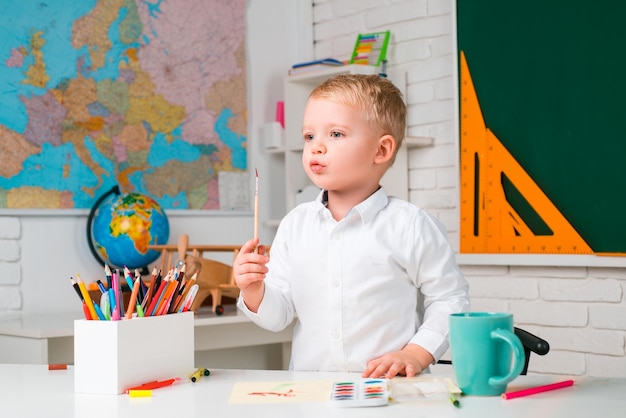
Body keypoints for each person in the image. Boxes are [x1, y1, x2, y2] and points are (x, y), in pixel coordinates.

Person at [234, 74, 469, 378]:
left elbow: (451, 299)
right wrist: (255, 290)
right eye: (309, 136)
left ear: (381, 150)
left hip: (391, 393)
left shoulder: (410, 225)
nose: (316, 147)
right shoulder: (295, 225)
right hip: (312, 396)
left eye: (335, 134)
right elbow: (278, 317)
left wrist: (415, 353)